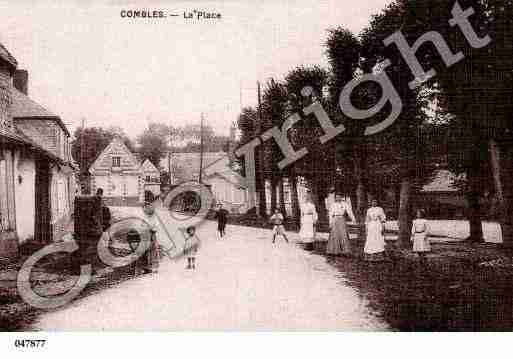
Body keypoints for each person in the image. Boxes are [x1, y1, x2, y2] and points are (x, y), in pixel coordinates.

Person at [141, 201, 160, 273]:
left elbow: (156, 225)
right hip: (145, 234)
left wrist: (151, 228)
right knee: (146, 251)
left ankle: (154, 267)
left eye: (147, 208)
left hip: (152, 234)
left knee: (153, 250)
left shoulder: (154, 217)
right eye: (145, 208)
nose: (146, 210)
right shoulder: (144, 217)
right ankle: (147, 267)